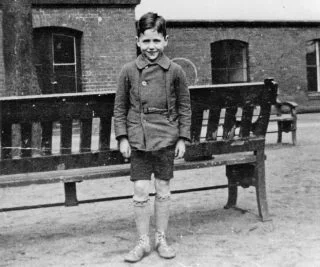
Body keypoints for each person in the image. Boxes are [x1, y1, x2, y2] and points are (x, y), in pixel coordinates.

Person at [113, 12, 191, 263]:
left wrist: (182, 138)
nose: (152, 47)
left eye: (156, 41)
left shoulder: (176, 71)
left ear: (166, 41)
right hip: (139, 138)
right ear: (137, 41)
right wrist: (123, 137)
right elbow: (119, 108)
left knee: (163, 187)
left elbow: (184, 108)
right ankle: (142, 241)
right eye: (146, 42)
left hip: (166, 138)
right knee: (139, 189)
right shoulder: (128, 71)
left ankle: (161, 237)